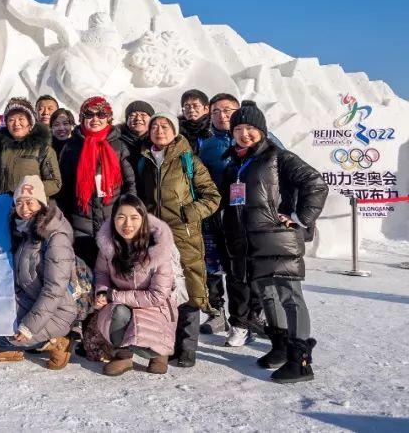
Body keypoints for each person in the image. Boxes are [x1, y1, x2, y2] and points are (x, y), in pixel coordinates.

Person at [219, 101, 326, 384]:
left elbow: (315, 183)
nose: (244, 134)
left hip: (278, 240)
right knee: (267, 295)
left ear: (262, 130)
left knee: (290, 296)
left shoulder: (278, 157)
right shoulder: (235, 164)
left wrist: (299, 217)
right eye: (238, 129)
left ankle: (300, 359)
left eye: (250, 128)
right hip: (251, 243)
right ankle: (279, 347)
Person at [134, 114, 222, 368]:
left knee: (190, 287)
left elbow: (212, 196)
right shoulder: (143, 161)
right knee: (159, 289)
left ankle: (187, 348)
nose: (159, 131)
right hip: (153, 235)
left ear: (174, 130)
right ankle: (164, 344)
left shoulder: (188, 160)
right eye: (155, 127)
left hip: (184, 235)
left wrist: (188, 214)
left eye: (165, 126)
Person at [0, 176, 79, 370]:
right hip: (31, 299)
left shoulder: (55, 237)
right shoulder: (24, 231)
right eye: (19, 203)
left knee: (3, 335)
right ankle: (18, 344)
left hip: (59, 310)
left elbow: (54, 290)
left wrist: (28, 327)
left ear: (41, 204)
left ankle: (58, 342)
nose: (24, 208)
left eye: (29, 202)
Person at [94, 195, 181, 376]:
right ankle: (123, 356)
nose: (127, 224)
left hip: (156, 308)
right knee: (117, 312)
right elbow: (101, 273)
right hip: (124, 306)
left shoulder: (158, 248)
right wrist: (102, 291)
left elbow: (157, 295)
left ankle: (159, 354)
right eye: (121, 217)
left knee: (152, 348)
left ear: (143, 219)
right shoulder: (108, 246)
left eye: (134, 218)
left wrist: (114, 295)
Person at [197, 93, 255, 341]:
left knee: (241, 269)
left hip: (246, 216)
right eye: (216, 112)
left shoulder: (253, 140)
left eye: (228, 111)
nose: (222, 116)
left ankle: (247, 318)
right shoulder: (204, 143)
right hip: (213, 214)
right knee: (211, 267)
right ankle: (216, 312)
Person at [56, 96, 136, 270]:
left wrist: (128, 214)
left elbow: (130, 184)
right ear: (81, 118)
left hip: (113, 223)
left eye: (100, 114)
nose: (95, 119)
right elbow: (63, 190)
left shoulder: (119, 146)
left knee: (115, 274)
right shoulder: (71, 147)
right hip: (81, 226)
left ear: (108, 118)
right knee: (87, 277)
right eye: (89, 115)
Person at [0, 97, 62, 199]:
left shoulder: (44, 150)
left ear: (30, 123)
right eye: (11, 120)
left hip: (31, 207)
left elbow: (55, 183)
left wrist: (30, 191)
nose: (16, 123)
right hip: (3, 206)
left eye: (21, 119)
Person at [117, 100, 154, 175]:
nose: (138, 119)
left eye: (143, 115)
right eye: (132, 115)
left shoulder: (159, 141)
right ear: (126, 120)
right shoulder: (116, 141)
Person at [178, 89, 213, 153]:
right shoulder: (176, 132)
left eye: (196, 106)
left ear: (206, 109)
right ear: (183, 111)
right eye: (187, 106)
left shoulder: (214, 130)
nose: (191, 110)